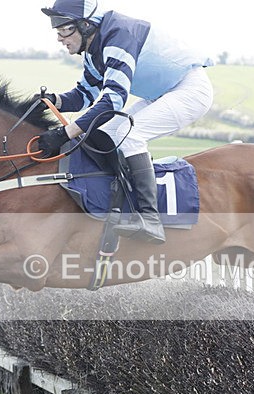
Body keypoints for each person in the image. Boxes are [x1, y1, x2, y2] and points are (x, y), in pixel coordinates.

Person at [36, 0, 214, 244]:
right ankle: (122, 204)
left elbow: (112, 102)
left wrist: (65, 133)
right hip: (163, 93)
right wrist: (53, 100)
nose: (59, 38)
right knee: (108, 133)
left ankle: (150, 219)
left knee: (131, 135)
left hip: (189, 90)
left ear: (86, 25)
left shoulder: (118, 36)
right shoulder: (94, 49)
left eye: (64, 29)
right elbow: (84, 95)